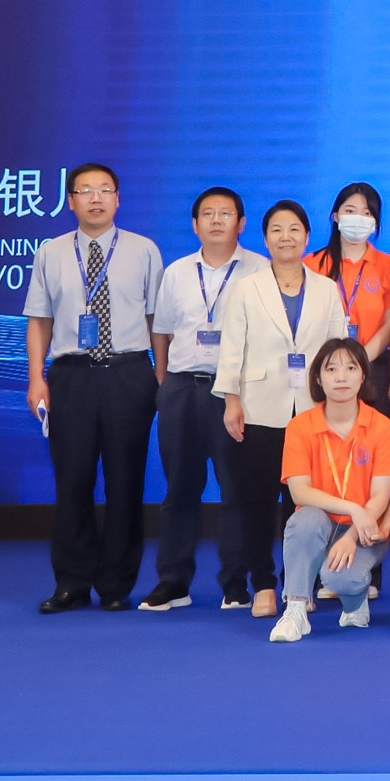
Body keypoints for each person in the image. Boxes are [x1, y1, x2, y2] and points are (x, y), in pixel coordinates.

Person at [23, 162, 165, 614]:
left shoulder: (143, 250)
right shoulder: (51, 252)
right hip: (72, 375)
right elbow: (39, 319)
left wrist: (160, 375)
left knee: (125, 481)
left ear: (118, 199)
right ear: (70, 201)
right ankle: (71, 583)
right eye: (85, 190)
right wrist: (36, 377)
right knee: (73, 479)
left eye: (105, 189)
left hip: (129, 372)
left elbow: (157, 320)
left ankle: (116, 584)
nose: (96, 198)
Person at [214, 200, 352, 620]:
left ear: (307, 237)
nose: (285, 237)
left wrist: (339, 401)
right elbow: (232, 345)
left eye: (294, 229)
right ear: (265, 238)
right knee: (257, 502)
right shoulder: (247, 287)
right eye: (276, 229)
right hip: (260, 407)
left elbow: (339, 349)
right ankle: (264, 585)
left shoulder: (326, 288)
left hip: (312, 410)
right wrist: (231, 399)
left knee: (305, 505)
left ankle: (300, 585)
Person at [139, 186, 258, 610]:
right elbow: (162, 331)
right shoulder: (177, 272)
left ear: (241, 223)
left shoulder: (259, 270)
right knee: (179, 489)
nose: (216, 220)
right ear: (194, 224)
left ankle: (235, 582)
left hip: (235, 394)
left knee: (236, 490)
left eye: (226, 213)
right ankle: (173, 582)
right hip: (182, 388)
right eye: (207, 213)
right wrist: (163, 383)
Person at [266, 337, 390, 642]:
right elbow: (299, 493)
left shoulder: (381, 427)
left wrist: (352, 534)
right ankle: (295, 611)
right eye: (331, 369)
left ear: (363, 375)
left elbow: (380, 497)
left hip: (365, 532)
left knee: (339, 578)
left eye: (350, 368)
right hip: (320, 524)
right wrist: (353, 508)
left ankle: (355, 603)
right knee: (304, 518)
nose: (341, 377)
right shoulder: (300, 426)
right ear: (318, 378)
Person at [311, 182, 390, 386]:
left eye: (367, 213)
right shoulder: (311, 264)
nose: (358, 219)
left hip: (373, 368)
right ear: (336, 216)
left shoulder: (389, 265)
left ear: (375, 222)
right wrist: (333, 363)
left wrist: (358, 361)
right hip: (322, 367)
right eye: (350, 211)